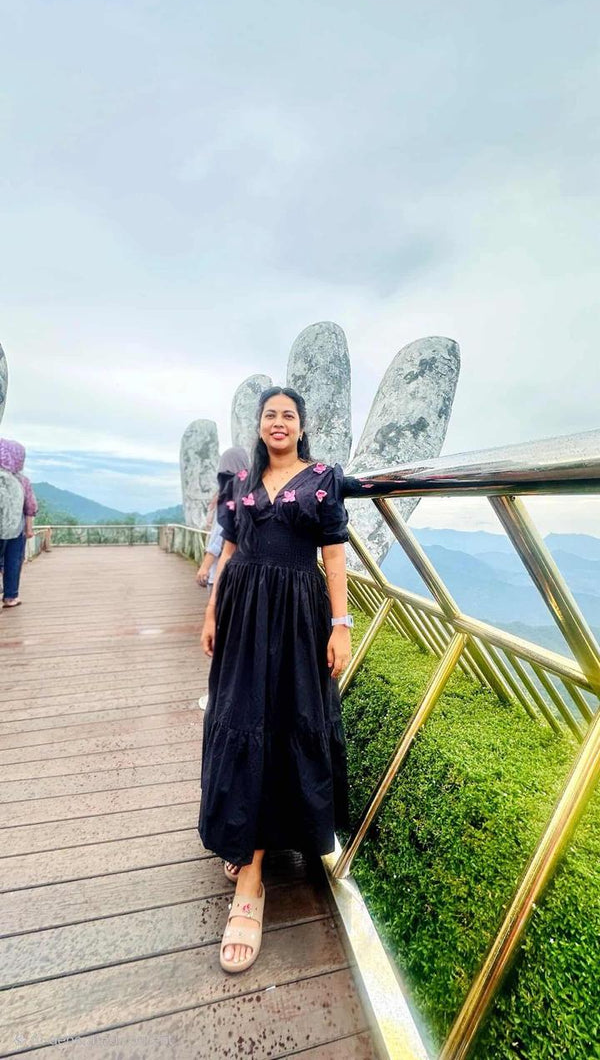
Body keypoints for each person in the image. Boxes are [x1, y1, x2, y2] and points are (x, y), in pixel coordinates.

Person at [198, 387, 353, 974]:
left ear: (302, 426)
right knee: (241, 719)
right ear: (259, 425)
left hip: (295, 617)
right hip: (242, 615)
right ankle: (249, 858)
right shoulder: (240, 482)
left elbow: (333, 557)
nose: (279, 422)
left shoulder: (323, 479)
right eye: (271, 415)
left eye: (289, 415)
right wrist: (212, 614)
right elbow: (229, 552)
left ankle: (253, 865)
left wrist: (340, 626)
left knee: (284, 721)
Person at [196, 448, 250, 597]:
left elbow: (219, 536)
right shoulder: (250, 495)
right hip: (244, 570)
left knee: (219, 608)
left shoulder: (229, 497)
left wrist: (204, 566)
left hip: (221, 572)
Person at [0, 439, 37, 608]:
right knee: (13, 562)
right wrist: (29, 529)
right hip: (15, 529)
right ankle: (10, 597)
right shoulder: (22, 480)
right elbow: (30, 507)